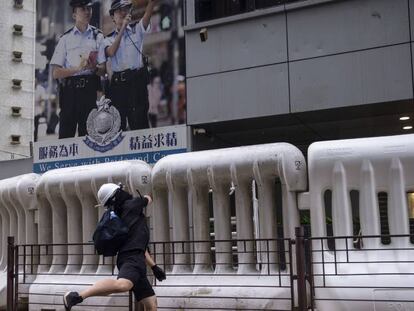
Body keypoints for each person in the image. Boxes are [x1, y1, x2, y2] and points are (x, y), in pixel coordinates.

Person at [63, 183, 166, 311]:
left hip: (136, 259)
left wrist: (154, 267)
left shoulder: (120, 214)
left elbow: (138, 245)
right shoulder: (132, 205)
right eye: (121, 190)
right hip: (131, 259)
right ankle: (77, 296)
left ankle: (78, 296)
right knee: (123, 285)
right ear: (117, 194)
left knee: (151, 305)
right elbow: (148, 198)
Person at [98, 0, 156, 131]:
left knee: (140, 125)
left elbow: (147, 16)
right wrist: (123, 27)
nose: (123, 13)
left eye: (126, 9)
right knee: (118, 128)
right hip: (119, 87)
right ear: (112, 17)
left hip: (137, 83)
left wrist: (151, 3)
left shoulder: (137, 30)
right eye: (119, 11)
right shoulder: (107, 39)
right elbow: (111, 52)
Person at [50, 0, 105, 139]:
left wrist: (94, 67)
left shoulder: (98, 36)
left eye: (89, 8)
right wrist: (77, 69)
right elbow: (56, 73)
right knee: (66, 137)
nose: (87, 12)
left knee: (89, 138)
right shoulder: (65, 39)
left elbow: (103, 70)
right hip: (69, 93)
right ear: (74, 14)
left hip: (89, 92)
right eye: (82, 9)